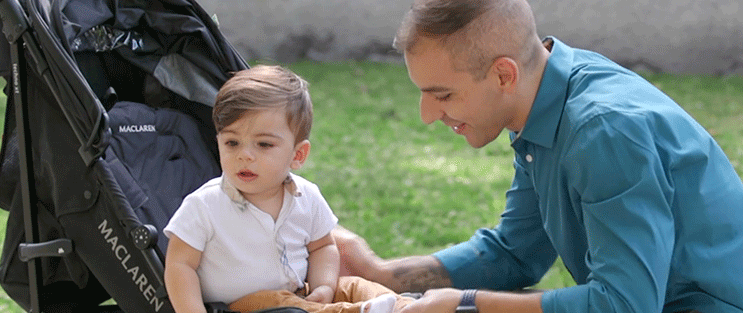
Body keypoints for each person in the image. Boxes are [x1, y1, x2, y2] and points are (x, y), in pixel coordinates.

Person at [333, 0, 743, 312]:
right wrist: (382, 273)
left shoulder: (603, 131)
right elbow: (516, 252)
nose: (427, 115)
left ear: (503, 75)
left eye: (443, 94)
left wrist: (467, 303)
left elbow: (624, 305)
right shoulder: (544, 97)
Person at [163, 65, 411, 313]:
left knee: (354, 285)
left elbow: (322, 246)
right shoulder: (205, 205)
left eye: (263, 144)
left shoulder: (307, 197)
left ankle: (408, 307)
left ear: (298, 154)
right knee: (286, 305)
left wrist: (323, 286)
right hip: (243, 306)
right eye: (232, 143)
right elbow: (179, 265)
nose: (245, 155)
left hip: (299, 294)